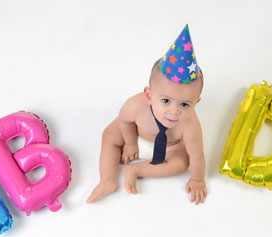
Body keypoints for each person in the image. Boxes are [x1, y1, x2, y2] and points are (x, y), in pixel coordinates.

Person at [87, 25, 207, 205]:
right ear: (149, 96)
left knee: (182, 163)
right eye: (166, 101)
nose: (174, 111)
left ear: (196, 102)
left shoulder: (190, 123)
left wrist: (197, 180)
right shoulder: (136, 105)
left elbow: (197, 155)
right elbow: (125, 121)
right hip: (135, 133)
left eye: (184, 104)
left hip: (170, 146)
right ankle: (107, 180)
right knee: (110, 134)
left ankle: (136, 171)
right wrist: (130, 144)